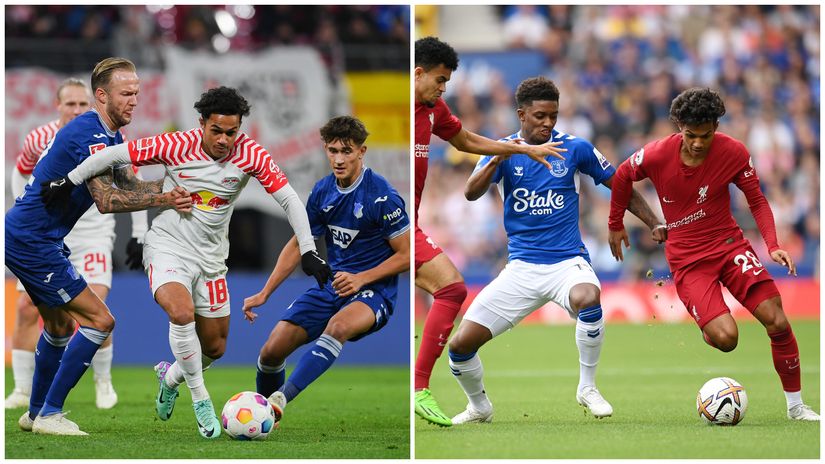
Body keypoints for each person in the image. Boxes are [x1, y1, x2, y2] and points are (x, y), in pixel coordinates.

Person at [45, 86, 332, 438]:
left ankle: (171, 378)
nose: (225, 140)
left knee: (214, 348)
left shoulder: (251, 154)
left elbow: (289, 198)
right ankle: (200, 401)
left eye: (232, 132)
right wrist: (68, 180)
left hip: (212, 259)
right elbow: (113, 155)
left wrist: (308, 249)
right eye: (217, 131)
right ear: (202, 124)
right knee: (180, 314)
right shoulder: (175, 144)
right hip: (168, 246)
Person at [447, 77, 664, 423]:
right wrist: (502, 154)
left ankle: (587, 387)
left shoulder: (575, 148)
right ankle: (479, 406)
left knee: (588, 297)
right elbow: (471, 192)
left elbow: (619, 182)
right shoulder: (501, 149)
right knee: (459, 348)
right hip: (520, 269)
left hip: (567, 262)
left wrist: (653, 221)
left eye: (553, 116)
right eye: (540, 116)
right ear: (521, 114)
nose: (548, 123)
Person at [608, 87, 819, 421]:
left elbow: (757, 200)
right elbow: (621, 176)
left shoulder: (734, 152)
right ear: (679, 127)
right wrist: (615, 222)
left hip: (729, 246)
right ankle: (707, 321)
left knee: (777, 319)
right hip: (689, 261)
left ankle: (796, 407)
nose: (697, 143)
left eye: (705, 136)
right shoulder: (657, 154)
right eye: (690, 135)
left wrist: (773, 244)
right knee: (726, 339)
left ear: (716, 128)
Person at [6, 57, 192, 436]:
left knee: (58, 327)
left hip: (35, 237)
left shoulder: (111, 136)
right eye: (126, 93)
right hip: (33, 242)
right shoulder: (87, 134)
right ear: (102, 95)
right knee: (101, 321)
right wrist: (165, 199)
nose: (134, 100)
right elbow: (107, 200)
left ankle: (35, 411)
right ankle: (50, 414)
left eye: (137, 93)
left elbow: (126, 183)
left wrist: (169, 186)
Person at [413, 36, 566, 427]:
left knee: (449, 290)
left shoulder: (432, 109)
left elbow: (464, 141)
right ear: (417, 73)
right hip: (381, 220)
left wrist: (518, 149)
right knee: (449, 289)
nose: (443, 88)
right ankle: (418, 388)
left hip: (402, 224)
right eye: (440, 80)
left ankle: (419, 388)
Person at [242, 115, 410, 421]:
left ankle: (281, 399)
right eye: (333, 151)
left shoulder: (382, 196)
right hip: (333, 287)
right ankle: (261, 419)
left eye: (346, 151)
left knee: (339, 327)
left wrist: (362, 278)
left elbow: (408, 254)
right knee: (271, 351)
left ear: (362, 151)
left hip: (374, 291)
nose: (339, 158)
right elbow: (298, 244)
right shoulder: (323, 192)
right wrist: (265, 292)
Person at [6, 77, 149, 411]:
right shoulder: (41, 137)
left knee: (78, 314)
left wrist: (140, 233)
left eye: (82, 104)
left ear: (93, 103)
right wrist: (26, 204)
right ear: (58, 106)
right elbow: (21, 171)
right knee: (64, 314)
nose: (77, 109)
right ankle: (34, 400)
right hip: (43, 236)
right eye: (70, 104)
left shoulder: (111, 138)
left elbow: (133, 182)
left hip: (92, 234)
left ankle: (97, 385)